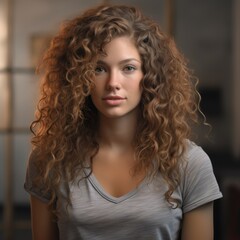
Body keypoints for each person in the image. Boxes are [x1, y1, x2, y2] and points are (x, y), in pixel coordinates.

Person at [24, 4, 222, 240]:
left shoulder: (190, 163)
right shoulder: (49, 160)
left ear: (149, 77)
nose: (113, 82)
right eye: (99, 68)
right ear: (79, 77)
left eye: (128, 68)